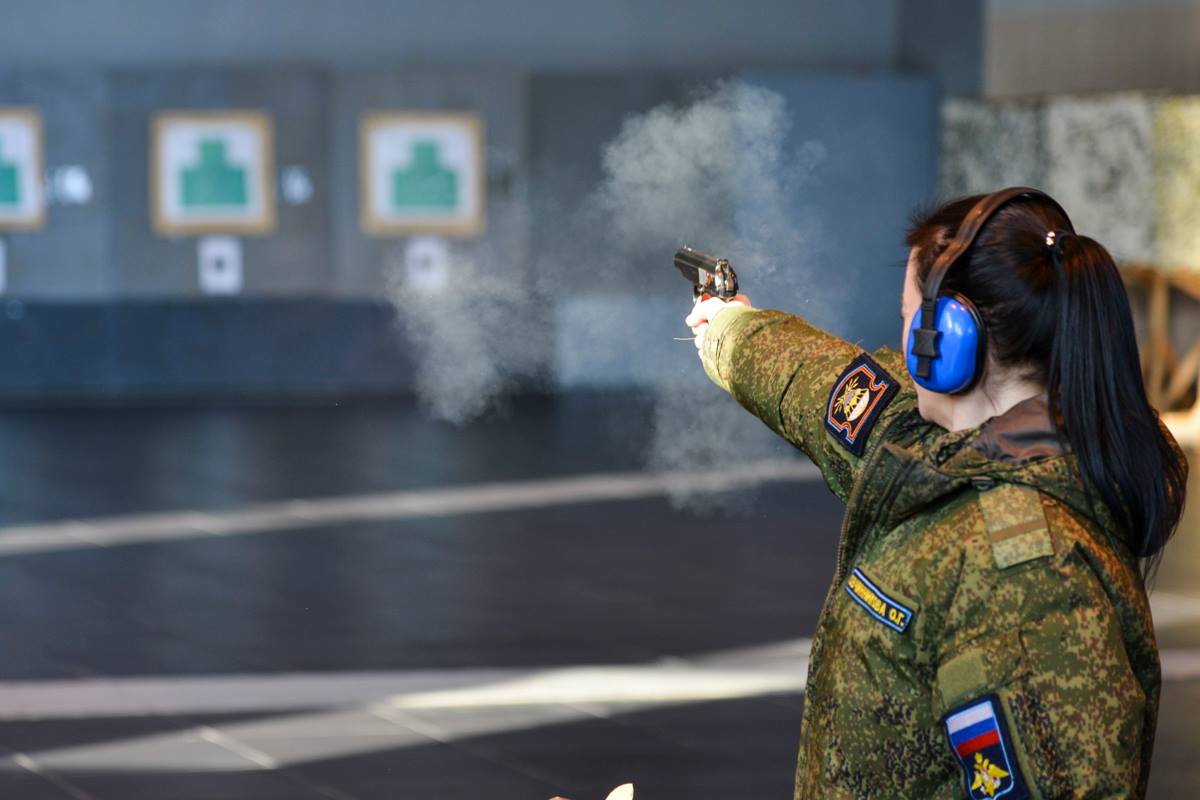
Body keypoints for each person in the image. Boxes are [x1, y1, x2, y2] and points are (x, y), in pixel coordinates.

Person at [684, 188, 1187, 799]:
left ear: (946, 340)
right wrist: (729, 324)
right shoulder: (946, 443)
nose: (901, 336)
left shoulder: (1028, 572)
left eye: (907, 314)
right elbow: (818, 384)